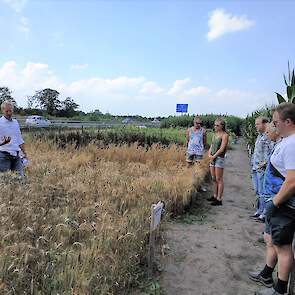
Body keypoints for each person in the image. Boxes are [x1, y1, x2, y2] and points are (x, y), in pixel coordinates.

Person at [250, 102, 295, 295]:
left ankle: (280, 290)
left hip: (283, 205)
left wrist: (275, 203)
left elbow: (292, 181)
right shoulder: (286, 140)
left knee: (283, 248)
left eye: (276, 122)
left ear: (288, 121)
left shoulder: (293, 144)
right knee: (270, 239)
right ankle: (267, 274)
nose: (273, 126)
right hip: (275, 201)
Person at [250, 117, 273, 219]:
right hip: (255, 167)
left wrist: (263, 164)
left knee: (262, 191)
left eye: (258, 124)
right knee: (257, 191)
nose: (256, 126)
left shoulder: (268, 136)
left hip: (262, 168)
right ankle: (259, 210)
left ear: (264, 124)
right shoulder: (259, 136)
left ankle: (264, 213)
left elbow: (271, 152)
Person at [0, 100, 28, 177]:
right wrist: (3, 143)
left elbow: (19, 139)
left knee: (20, 179)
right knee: (5, 180)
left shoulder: (15, 122)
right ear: (2, 110)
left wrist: (24, 153)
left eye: (11, 110)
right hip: (3, 156)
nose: (9, 113)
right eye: (7, 111)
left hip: (16, 155)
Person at [207, 118, 229, 206]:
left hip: (219, 158)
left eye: (217, 125)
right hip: (213, 157)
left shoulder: (225, 135)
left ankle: (219, 199)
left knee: (219, 179)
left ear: (222, 126)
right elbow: (211, 145)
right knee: (213, 178)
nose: (215, 127)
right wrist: (209, 154)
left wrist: (213, 156)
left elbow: (222, 148)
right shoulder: (215, 134)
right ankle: (215, 195)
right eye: (215, 125)